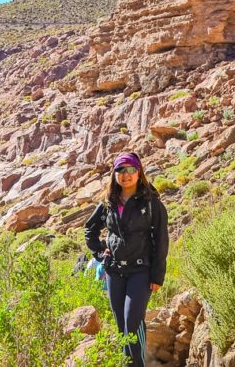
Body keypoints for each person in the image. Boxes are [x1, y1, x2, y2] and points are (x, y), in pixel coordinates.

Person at [84, 152, 169, 366]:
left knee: (133, 321)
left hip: (141, 271)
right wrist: (100, 253)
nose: (126, 174)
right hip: (114, 272)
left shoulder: (150, 202)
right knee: (121, 324)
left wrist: (157, 275)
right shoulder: (108, 203)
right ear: (114, 174)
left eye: (131, 169)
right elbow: (90, 229)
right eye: (120, 170)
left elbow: (161, 238)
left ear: (139, 172)